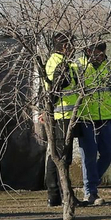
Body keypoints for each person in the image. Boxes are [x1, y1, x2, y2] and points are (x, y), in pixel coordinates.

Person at [73, 41, 111, 205]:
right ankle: (90, 192)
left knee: (108, 152)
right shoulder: (78, 67)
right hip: (86, 118)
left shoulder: (108, 67)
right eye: (97, 53)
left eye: (103, 54)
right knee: (89, 155)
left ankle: (92, 181)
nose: (100, 57)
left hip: (105, 118)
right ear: (88, 51)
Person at [39, 33, 80, 208]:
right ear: (65, 46)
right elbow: (54, 92)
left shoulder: (56, 61)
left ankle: (58, 195)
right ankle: (59, 195)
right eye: (71, 45)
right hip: (61, 116)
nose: (73, 49)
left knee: (58, 156)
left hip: (61, 115)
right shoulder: (60, 64)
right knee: (60, 158)